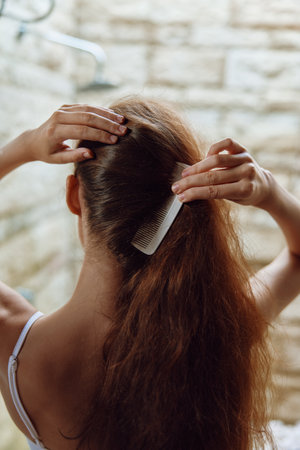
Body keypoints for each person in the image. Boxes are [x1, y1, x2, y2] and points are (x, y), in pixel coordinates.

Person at [0, 98, 299, 450]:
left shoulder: (16, 344)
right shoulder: (223, 330)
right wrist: (270, 192)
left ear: (74, 197)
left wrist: (23, 146)